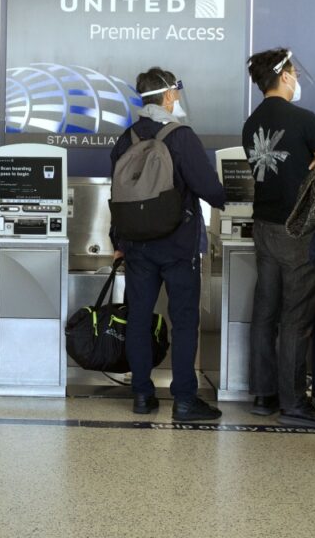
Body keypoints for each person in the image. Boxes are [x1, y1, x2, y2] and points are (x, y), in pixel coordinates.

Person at [110, 68, 226, 422]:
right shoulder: (181, 137)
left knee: (139, 318)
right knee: (184, 320)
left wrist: (119, 242)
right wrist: (226, 198)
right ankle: (185, 400)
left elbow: (117, 197)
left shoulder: (126, 138)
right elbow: (210, 188)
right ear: (169, 95)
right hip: (178, 246)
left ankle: (142, 395)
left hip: (137, 247)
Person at [241, 49, 315, 425]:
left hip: (262, 226)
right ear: (283, 76)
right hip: (297, 229)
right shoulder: (304, 119)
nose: (296, 80)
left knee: (266, 312)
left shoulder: (251, 123)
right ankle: (294, 402)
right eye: (294, 73)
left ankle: (264, 395)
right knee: (296, 317)